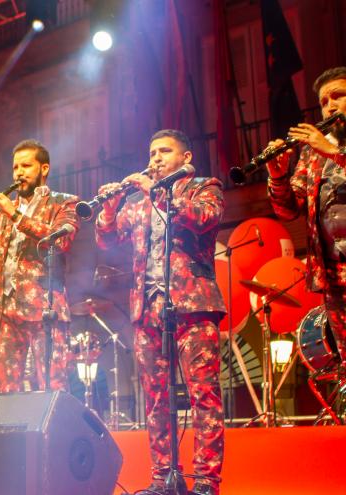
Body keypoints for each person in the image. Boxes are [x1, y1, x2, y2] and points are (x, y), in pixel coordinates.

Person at [94, 129, 225, 495]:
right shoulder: (136, 202)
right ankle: (164, 477)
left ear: (185, 158)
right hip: (146, 310)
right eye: (151, 152)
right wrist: (107, 209)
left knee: (204, 397)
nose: (154, 158)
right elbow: (107, 241)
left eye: (164, 151)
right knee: (155, 401)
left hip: (194, 306)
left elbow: (203, 218)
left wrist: (157, 193)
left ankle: (206, 482)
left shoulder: (203, 186)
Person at [0, 139, 78, 393]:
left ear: (44, 169)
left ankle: (54, 435)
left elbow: (60, 241)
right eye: (16, 168)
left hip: (44, 310)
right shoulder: (2, 212)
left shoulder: (63, 203)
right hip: (6, 313)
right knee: (4, 391)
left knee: (52, 387)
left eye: (26, 166)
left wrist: (16, 216)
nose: (19, 173)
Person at [267, 67, 346, 365]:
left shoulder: (322, 147)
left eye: (338, 96)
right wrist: (277, 176)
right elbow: (289, 210)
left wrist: (334, 152)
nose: (330, 106)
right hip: (335, 276)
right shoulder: (313, 153)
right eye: (325, 101)